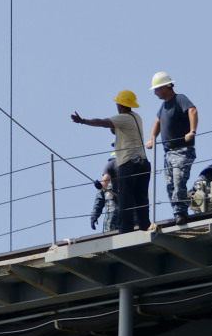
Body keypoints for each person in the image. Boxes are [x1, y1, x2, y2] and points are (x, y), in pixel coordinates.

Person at [71, 92, 150, 232]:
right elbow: (121, 131)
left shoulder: (123, 118)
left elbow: (102, 122)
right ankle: (145, 226)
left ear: (120, 105)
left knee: (125, 199)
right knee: (141, 198)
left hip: (128, 163)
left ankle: (125, 231)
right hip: (143, 163)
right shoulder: (137, 117)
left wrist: (83, 120)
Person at [144, 72, 198, 227]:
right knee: (170, 185)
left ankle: (181, 212)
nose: (155, 93)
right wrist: (151, 140)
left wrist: (192, 131)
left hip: (182, 150)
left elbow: (192, 111)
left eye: (156, 89)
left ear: (164, 87)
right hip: (168, 152)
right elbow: (158, 121)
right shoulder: (164, 105)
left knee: (178, 181)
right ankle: (177, 211)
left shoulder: (180, 99)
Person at [90, 152, 118, 233]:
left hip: (129, 219)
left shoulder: (128, 180)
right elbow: (99, 200)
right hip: (111, 221)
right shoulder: (105, 185)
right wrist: (94, 216)